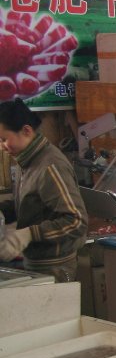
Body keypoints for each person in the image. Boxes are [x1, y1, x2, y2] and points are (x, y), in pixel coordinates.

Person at [0, 98, 87, 282]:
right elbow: (29, 205)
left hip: (55, 269)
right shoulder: (27, 161)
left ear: (26, 130)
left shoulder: (50, 166)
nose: (2, 147)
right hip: (35, 264)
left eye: (4, 139)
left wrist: (29, 233)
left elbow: (76, 221)